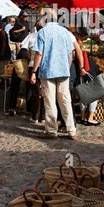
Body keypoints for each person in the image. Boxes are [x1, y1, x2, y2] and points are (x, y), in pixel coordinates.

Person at [30, 9, 86, 138]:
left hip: (47, 71)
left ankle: (51, 131)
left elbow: (39, 53)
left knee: (50, 101)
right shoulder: (65, 32)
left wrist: (34, 71)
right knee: (65, 100)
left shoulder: (42, 32)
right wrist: (67, 66)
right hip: (63, 71)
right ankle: (71, 130)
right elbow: (71, 54)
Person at [74, 32, 100, 126]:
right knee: (94, 95)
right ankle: (90, 118)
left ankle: (83, 117)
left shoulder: (73, 46)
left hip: (78, 73)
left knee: (83, 96)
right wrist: (83, 69)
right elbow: (85, 63)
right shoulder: (79, 47)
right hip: (85, 72)